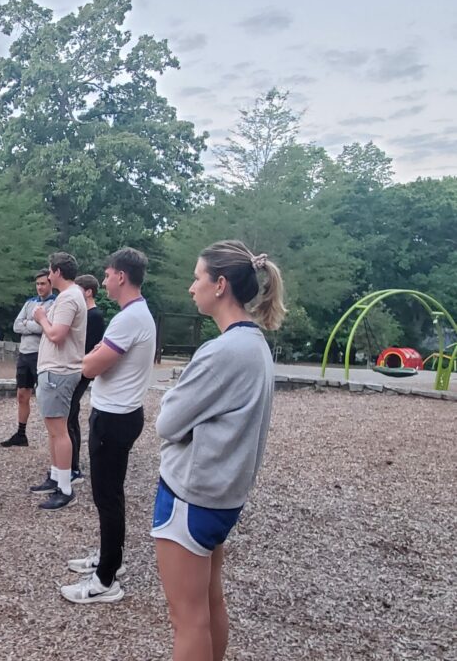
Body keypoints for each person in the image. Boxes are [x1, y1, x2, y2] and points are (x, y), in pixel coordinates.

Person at [151, 240, 285, 661]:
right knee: (209, 604)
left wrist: (173, 398)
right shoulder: (255, 345)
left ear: (220, 285)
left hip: (191, 496)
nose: (192, 287)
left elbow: (167, 422)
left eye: (197, 277)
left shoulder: (222, 351)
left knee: (187, 619)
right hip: (223, 497)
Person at [61, 248, 155, 604]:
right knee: (109, 495)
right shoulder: (136, 315)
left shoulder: (129, 319)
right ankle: (110, 558)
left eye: (107, 274)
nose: (103, 280)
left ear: (120, 276)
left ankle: (105, 581)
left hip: (114, 418)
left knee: (107, 497)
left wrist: (93, 355)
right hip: (120, 414)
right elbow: (99, 357)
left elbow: (89, 367)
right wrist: (97, 353)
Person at [28, 252, 87, 510]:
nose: (49, 275)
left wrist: (41, 317)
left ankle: (65, 488)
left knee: (59, 431)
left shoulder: (68, 297)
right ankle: (55, 476)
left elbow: (57, 334)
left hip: (59, 371)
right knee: (53, 429)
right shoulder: (70, 296)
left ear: (58, 272)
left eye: (50, 271)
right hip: (55, 370)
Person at [0, 269, 55, 448]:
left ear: (51, 284)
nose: (39, 287)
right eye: (37, 284)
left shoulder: (55, 304)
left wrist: (29, 324)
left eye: (43, 284)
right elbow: (16, 326)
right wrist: (35, 323)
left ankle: (55, 434)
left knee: (45, 396)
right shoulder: (30, 302)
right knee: (22, 394)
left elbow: (46, 328)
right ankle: (21, 433)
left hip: (41, 354)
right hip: (25, 354)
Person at [66, 274, 106, 482]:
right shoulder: (86, 315)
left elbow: (89, 346)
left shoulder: (94, 316)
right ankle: (69, 463)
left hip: (81, 370)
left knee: (70, 415)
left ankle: (73, 467)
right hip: (76, 368)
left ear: (88, 292)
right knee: (69, 416)